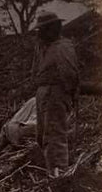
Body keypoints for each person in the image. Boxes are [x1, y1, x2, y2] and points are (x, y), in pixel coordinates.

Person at [33, 11, 79, 176]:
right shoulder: (46, 47)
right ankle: (52, 171)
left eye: (44, 29)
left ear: (54, 28)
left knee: (54, 134)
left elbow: (70, 74)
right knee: (43, 135)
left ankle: (59, 175)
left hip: (55, 92)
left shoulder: (63, 47)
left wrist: (68, 94)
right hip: (44, 93)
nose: (40, 33)